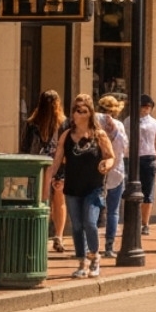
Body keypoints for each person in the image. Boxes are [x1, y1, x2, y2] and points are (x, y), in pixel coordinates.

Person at [52, 94, 116, 278]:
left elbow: (110, 156)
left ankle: (94, 257)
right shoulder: (66, 135)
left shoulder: (99, 135)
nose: (78, 114)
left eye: (82, 110)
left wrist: (106, 165)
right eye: (75, 110)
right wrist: (52, 177)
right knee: (77, 226)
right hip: (73, 186)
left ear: (90, 113)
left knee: (90, 222)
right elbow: (57, 160)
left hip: (94, 187)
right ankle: (82, 262)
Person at [23, 89, 67, 252]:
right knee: (59, 200)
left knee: (41, 199)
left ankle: (41, 234)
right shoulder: (64, 123)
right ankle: (58, 236)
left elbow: (25, 148)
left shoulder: (32, 123)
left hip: (37, 167)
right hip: (58, 165)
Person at [96, 94, 130, 257]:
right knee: (113, 211)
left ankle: (90, 246)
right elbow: (125, 148)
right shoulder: (119, 125)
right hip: (116, 171)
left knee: (93, 209)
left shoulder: (93, 122)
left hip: (96, 170)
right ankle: (109, 246)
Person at [136, 95, 156, 234]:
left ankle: (145, 223)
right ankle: (135, 221)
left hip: (149, 157)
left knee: (148, 192)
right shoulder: (129, 121)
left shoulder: (155, 123)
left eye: (148, 106)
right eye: (143, 106)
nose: (146, 109)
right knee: (132, 192)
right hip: (133, 158)